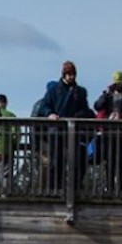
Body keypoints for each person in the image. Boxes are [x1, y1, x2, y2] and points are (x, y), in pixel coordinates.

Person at [34, 61, 93, 192]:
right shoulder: (54, 90)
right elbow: (44, 106)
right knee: (56, 162)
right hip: (57, 131)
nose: (72, 77)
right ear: (64, 75)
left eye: (73, 74)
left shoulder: (81, 92)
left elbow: (86, 109)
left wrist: (79, 115)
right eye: (69, 74)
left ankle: (76, 189)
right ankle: (55, 189)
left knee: (77, 162)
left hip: (74, 131)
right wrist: (50, 114)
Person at [93, 71, 122, 195]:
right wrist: (106, 92)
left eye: (120, 84)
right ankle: (109, 189)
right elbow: (97, 106)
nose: (118, 87)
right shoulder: (108, 96)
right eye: (116, 84)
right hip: (109, 135)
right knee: (109, 162)